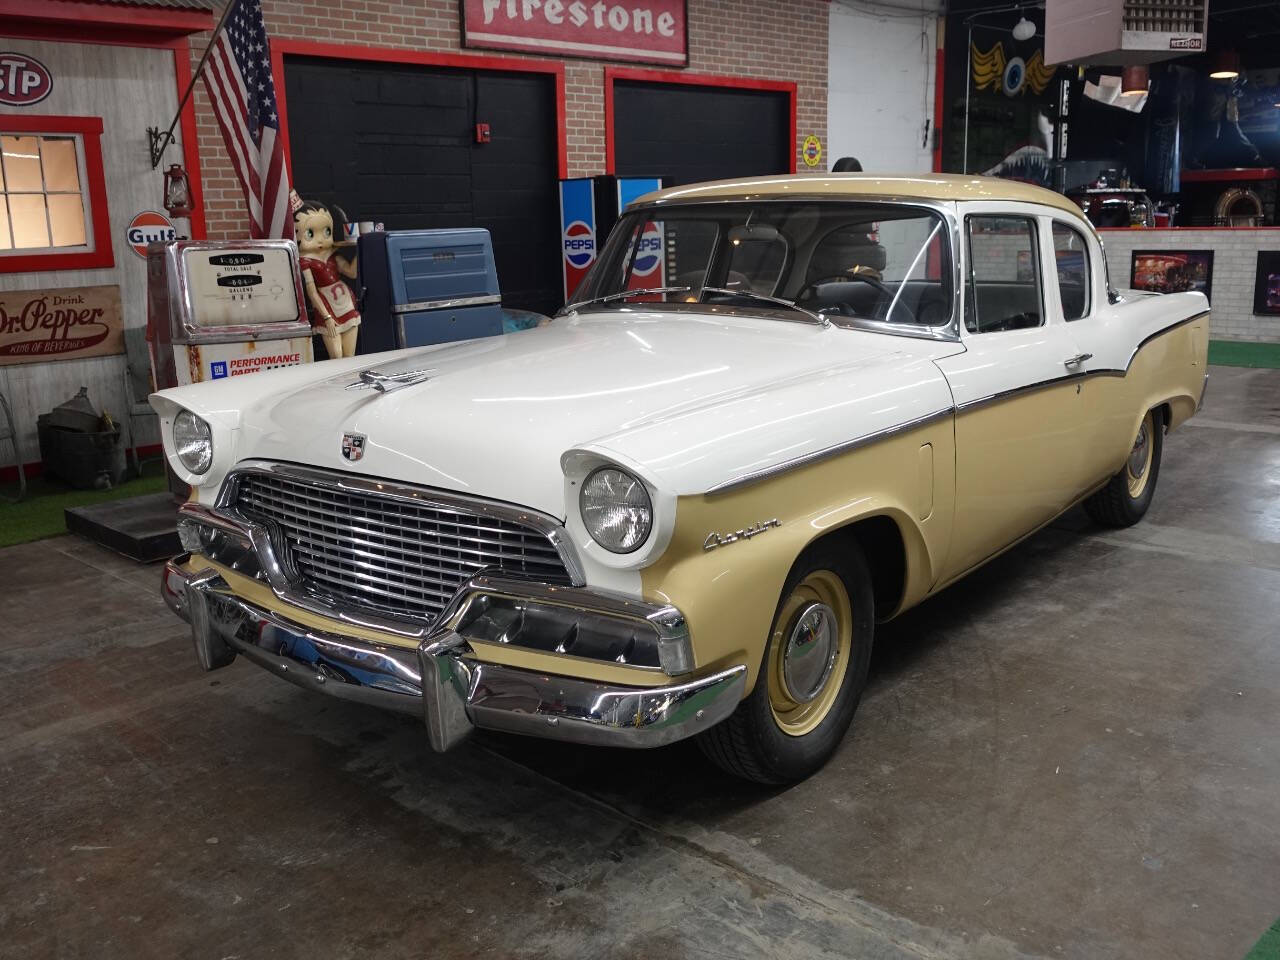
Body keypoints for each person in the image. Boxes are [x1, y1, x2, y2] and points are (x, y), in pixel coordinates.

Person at [292, 194, 360, 359]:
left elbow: (352, 272)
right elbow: (312, 292)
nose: (321, 239)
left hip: (346, 303)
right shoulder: (305, 261)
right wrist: (326, 316)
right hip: (326, 306)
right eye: (310, 234)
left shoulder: (333, 255)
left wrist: (360, 249)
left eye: (326, 231)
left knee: (350, 354)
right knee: (336, 355)